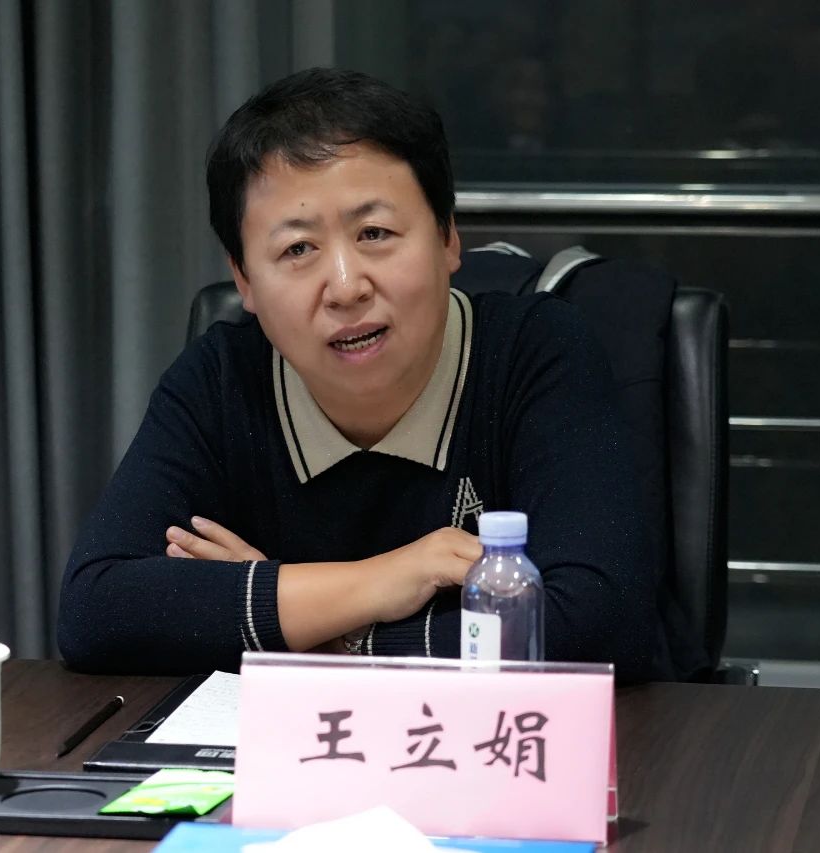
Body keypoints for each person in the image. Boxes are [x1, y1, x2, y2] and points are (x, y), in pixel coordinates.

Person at [58, 68, 672, 682]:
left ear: (447, 237)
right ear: (244, 280)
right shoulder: (222, 380)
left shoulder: (535, 352)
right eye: (298, 249)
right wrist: (383, 580)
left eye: (374, 233)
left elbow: (598, 624)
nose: (347, 287)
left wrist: (313, 627)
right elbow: (97, 610)